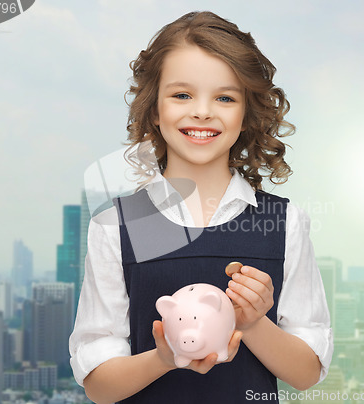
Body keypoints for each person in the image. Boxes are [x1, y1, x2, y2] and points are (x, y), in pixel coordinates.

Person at [69, 11, 333, 404]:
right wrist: (165, 357)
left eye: (225, 98)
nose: (203, 111)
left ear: (246, 114)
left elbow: (307, 372)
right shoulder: (119, 226)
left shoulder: (283, 224)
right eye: (182, 95)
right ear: (154, 109)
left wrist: (255, 322)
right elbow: (98, 386)